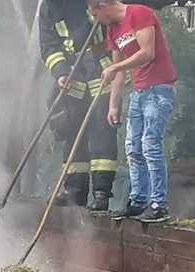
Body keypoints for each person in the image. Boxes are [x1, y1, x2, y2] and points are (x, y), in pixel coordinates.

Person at [90, 0, 178, 224]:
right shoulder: (112, 30)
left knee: (150, 144)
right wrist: (113, 104)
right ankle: (138, 200)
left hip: (159, 88)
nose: (95, 20)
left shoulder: (139, 13)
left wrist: (116, 67)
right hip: (139, 92)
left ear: (102, 5)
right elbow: (118, 73)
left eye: (95, 14)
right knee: (133, 147)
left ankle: (159, 204)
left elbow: (147, 53)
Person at [40, 0, 119, 211]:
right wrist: (60, 72)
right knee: (73, 134)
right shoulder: (49, 7)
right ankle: (75, 191)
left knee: (103, 134)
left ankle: (101, 192)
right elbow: (48, 47)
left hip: (102, 73)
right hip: (72, 78)